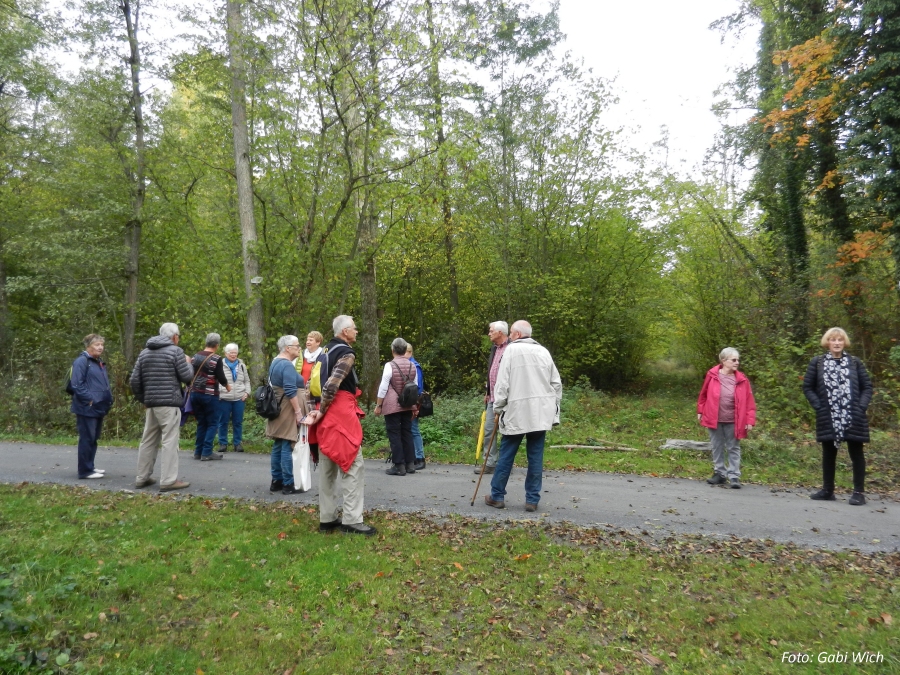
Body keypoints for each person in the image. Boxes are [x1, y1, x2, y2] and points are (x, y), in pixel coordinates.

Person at [302, 315, 376, 535]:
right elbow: (332, 385)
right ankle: (352, 520)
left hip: (323, 416)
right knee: (353, 465)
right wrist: (323, 409)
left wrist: (315, 411)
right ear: (345, 331)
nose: (357, 332)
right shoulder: (346, 353)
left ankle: (327, 518)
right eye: (354, 328)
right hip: (339, 413)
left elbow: (309, 386)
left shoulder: (323, 352)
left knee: (327, 466)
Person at [486, 320, 562, 512]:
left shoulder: (511, 351)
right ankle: (532, 500)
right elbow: (556, 384)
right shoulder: (544, 351)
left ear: (518, 335)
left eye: (511, 333)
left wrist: (498, 408)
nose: (509, 336)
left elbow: (502, 384)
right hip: (539, 414)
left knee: (507, 455)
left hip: (516, 412)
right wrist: (553, 410)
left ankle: (497, 496)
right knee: (535, 457)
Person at [803, 327, 873, 505]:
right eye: (833, 340)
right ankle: (828, 490)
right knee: (829, 453)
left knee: (856, 453)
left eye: (839, 340)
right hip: (828, 415)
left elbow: (867, 387)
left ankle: (858, 492)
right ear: (827, 342)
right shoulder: (817, 363)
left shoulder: (855, 362)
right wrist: (819, 406)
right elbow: (808, 387)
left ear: (844, 342)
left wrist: (861, 406)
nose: (836, 343)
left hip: (853, 415)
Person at [130, 322, 194, 492]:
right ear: (174, 337)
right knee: (170, 441)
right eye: (178, 335)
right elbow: (187, 376)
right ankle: (168, 480)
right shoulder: (176, 351)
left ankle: (141, 477)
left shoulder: (144, 353)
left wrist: (144, 399)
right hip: (169, 404)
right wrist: (188, 363)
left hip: (151, 404)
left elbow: (134, 381)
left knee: (148, 440)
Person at [696, 348, 757, 489]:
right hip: (714, 417)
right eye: (733, 360)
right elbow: (703, 394)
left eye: (738, 360)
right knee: (717, 446)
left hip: (734, 420)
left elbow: (749, 401)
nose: (737, 362)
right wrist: (700, 410)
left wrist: (750, 420)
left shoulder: (742, 379)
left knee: (733, 447)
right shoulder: (712, 375)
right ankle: (720, 474)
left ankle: (734, 476)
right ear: (723, 361)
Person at [267, 335, 308, 495]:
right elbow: (290, 391)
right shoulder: (287, 366)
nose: (300, 348)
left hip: (279, 405)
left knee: (278, 443)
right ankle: (288, 484)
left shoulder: (275, 362)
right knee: (287, 443)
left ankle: (276, 481)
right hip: (287, 408)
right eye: (297, 346)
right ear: (287, 348)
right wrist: (298, 413)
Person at [70, 334, 113, 479]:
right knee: (87, 438)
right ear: (88, 346)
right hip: (86, 407)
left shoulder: (97, 361)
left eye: (101, 344)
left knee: (93, 438)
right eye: (96, 345)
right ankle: (84, 471)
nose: (100, 347)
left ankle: (90, 466)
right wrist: (90, 399)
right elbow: (77, 384)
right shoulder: (82, 361)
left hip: (98, 406)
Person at [376, 338, 418, 476]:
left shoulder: (390, 365)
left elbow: (383, 387)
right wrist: (415, 406)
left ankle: (399, 465)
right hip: (407, 403)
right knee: (407, 432)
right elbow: (415, 386)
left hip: (392, 404)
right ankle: (410, 464)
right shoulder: (412, 365)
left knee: (394, 434)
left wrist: (379, 405)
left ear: (392, 350)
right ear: (405, 349)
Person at [475, 321, 511, 475]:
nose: (489, 334)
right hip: (493, 398)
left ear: (500, 333)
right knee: (490, 429)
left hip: (509, 398)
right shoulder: (494, 348)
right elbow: (492, 371)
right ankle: (489, 463)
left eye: (491, 331)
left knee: (508, 432)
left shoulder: (511, 348)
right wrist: (488, 391)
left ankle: (505, 464)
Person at [190, 333, 231, 461]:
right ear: (217, 345)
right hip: (209, 395)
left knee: (201, 422)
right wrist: (227, 386)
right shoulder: (216, 358)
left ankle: (198, 451)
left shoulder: (195, 356)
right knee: (213, 423)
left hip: (195, 393)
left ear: (206, 342)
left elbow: (189, 373)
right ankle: (207, 452)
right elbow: (220, 376)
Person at [217, 343, 251, 453]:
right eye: (231, 353)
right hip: (224, 398)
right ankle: (223, 443)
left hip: (239, 398)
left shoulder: (241, 365)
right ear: (225, 353)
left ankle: (237, 443)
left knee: (238, 422)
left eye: (235, 353)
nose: (233, 355)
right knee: (223, 422)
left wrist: (247, 392)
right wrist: (219, 393)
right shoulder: (220, 364)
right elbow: (216, 381)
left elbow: (247, 381)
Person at [405, 343, 426, 470]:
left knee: (414, 430)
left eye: (406, 353)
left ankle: (420, 457)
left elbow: (417, 388)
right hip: (410, 402)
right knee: (410, 429)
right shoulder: (408, 365)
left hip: (415, 401)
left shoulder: (414, 366)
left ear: (410, 352)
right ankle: (413, 456)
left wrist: (416, 406)